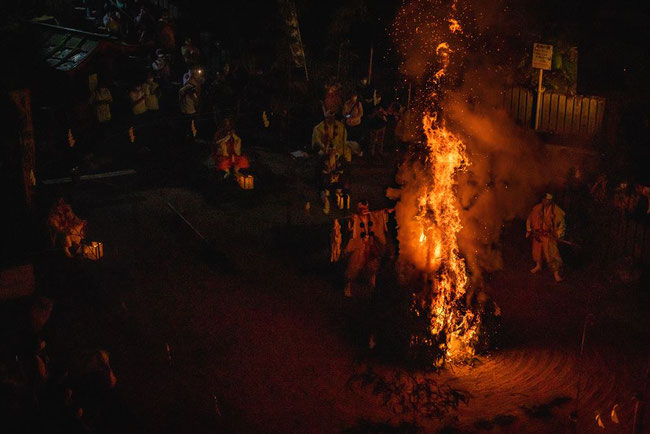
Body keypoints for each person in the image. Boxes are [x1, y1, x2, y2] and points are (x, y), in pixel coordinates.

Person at [344, 201, 390, 297]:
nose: (364, 211)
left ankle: (371, 286)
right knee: (355, 266)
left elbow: (379, 215)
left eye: (366, 209)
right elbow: (350, 229)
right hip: (360, 246)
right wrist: (353, 221)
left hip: (371, 245)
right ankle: (349, 287)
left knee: (372, 266)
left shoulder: (372, 216)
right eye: (362, 209)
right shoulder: (355, 218)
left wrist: (385, 212)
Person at [526, 193, 566, 282]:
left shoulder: (556, 211)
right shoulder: (537, 208)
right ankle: (538, 266)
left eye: (547, 200)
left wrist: (558, 234)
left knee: (552, 254)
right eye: (544, 199)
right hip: (538, 235)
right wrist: (529, 230)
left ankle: (556, 273)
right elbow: (529, 219)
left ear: (550, 200)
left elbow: (562, 225)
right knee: (537, 251)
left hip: (549, 236)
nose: (545, 201)